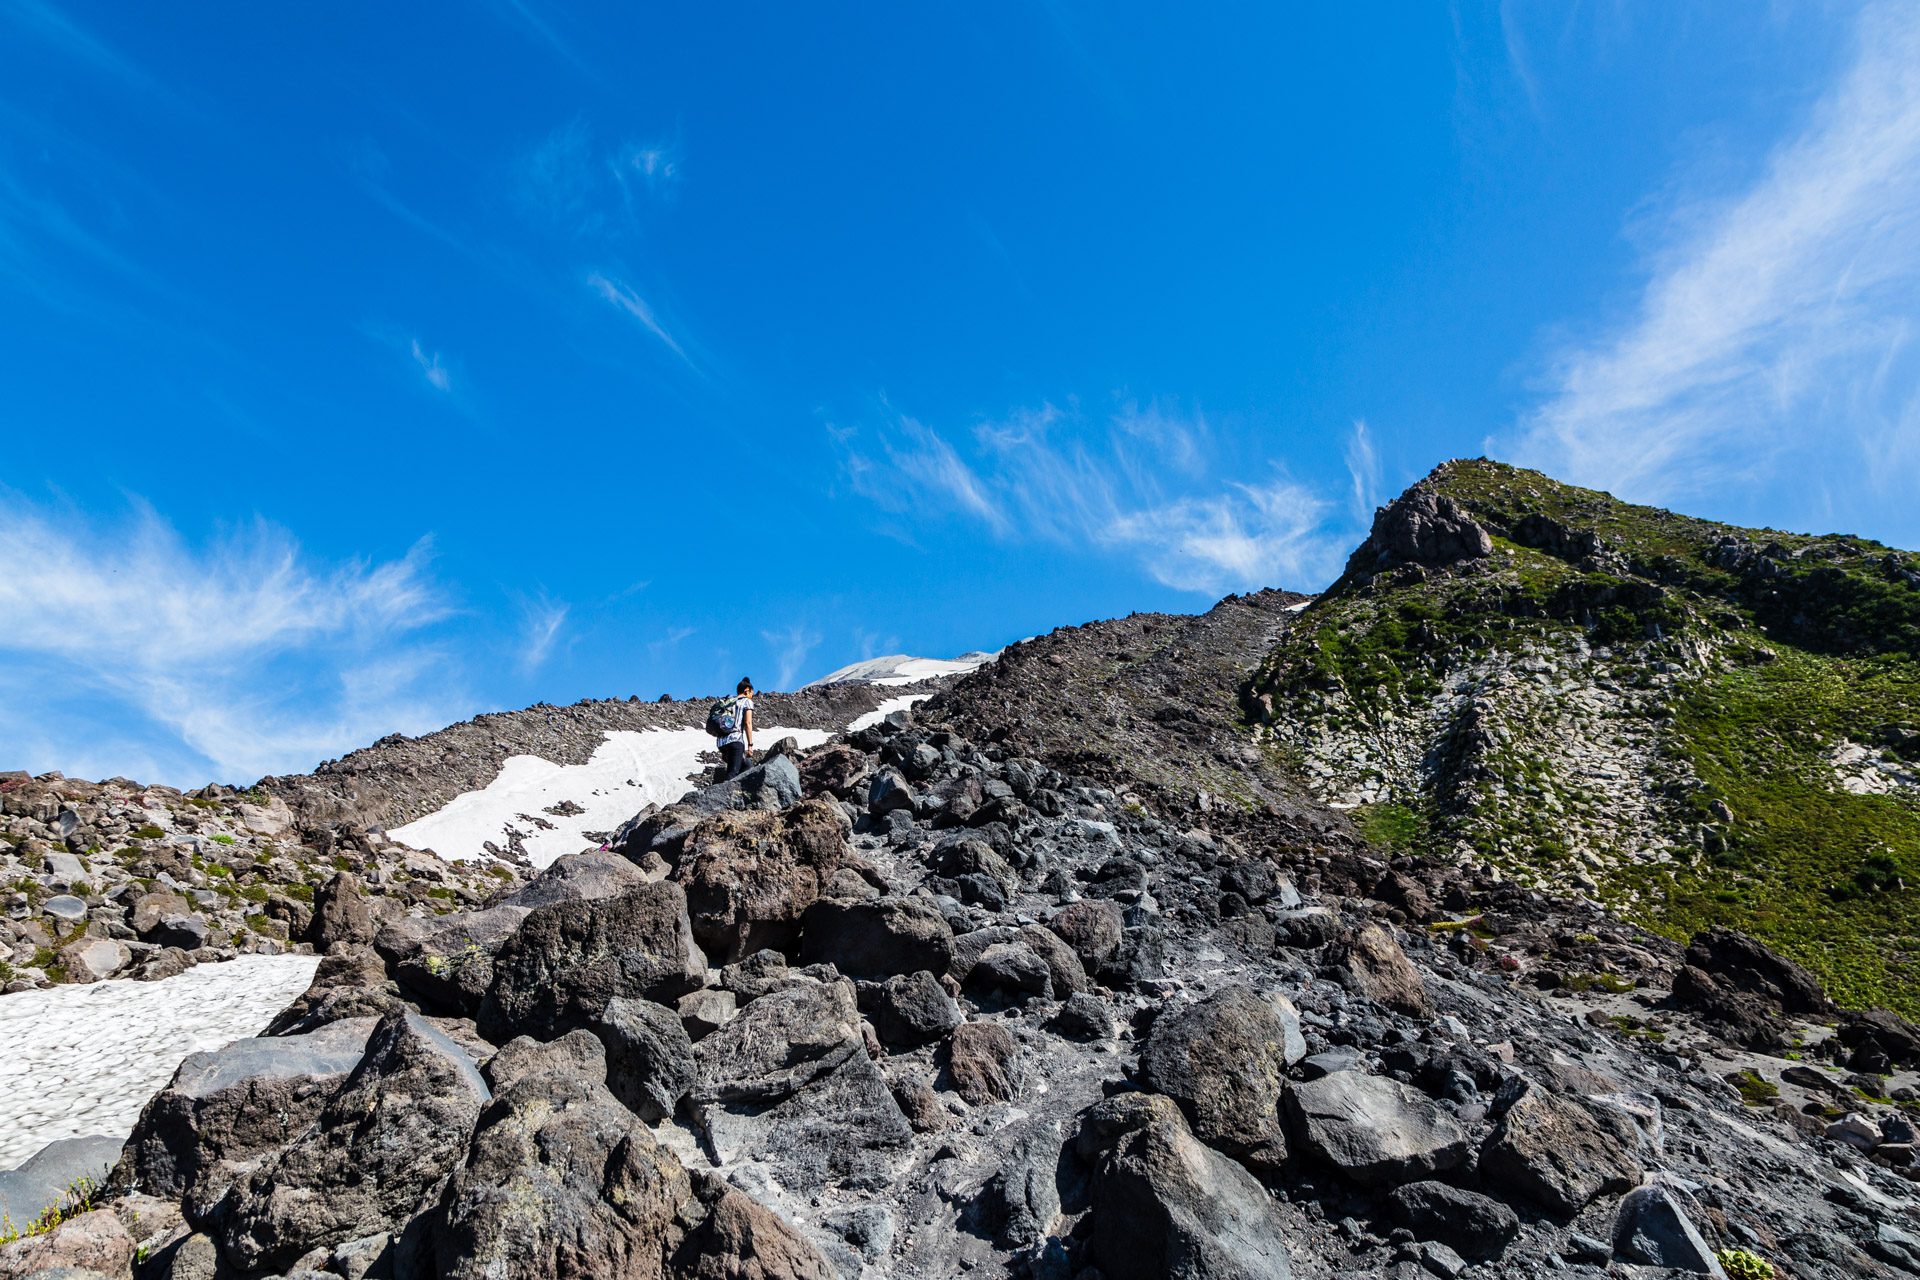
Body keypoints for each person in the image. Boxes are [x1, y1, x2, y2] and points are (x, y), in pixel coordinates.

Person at [719, 677, 755, 779]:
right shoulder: (746, 701)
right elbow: (748, 723)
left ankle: (735, 791)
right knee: (733, 773)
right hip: (735, 740)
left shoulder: (730, 702)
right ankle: (726, 793)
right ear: (747, 690)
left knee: (745, 764)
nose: (752, 696)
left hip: (722, 742)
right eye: (751, 693)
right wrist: (750, 745)